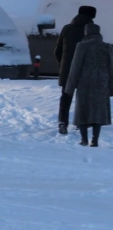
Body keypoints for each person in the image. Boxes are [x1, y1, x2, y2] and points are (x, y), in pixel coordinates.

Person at [64, 23, 113, 147]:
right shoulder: (107, 47)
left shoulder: (81, 46)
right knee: (98, 113)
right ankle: (95, 140)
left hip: (84, 83)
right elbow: (111, 68)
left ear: (86, 33)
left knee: (82, 112)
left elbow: (75, 68)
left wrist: (69, 87)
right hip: (102, 83)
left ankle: (84, 139)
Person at [55, 5, 96, 135]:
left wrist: (63, 65)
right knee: (83, 96)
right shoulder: (92, 31)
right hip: (85, 69)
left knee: (66, 96)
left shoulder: (67, 29)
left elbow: (58, 51)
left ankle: (62, 122)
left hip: (68, 69)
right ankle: (81, 122)